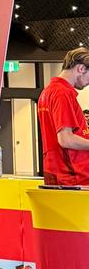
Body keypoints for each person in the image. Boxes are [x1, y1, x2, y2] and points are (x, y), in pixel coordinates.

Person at [36, 48, 89, 185]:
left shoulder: (48, 92)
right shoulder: (62, 93)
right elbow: (66, 140)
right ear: (81, 68)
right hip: (72, 178)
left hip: (60, 174)